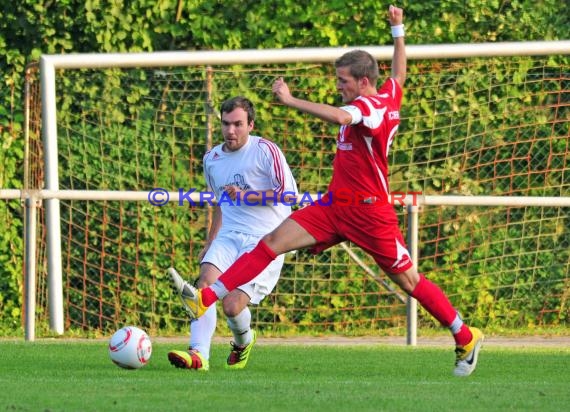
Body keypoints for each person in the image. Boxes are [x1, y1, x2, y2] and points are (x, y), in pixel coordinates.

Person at [170, 5, 484, 377]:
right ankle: (205, 298)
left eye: (343, 81)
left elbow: (339, 116)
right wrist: (398, 31)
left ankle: (464, 335)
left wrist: (289, 101)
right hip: (335, 206)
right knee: (271, 242)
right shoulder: (387, 95)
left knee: (410, 282)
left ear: (363, 82)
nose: (338, 87)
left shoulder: (368, 107)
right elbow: (399, 74)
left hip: (369, 214)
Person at [168, 96, 298, 371]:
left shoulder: (266, 151)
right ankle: (198, 355)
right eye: (226, 124)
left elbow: (288, 195)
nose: (231, 131)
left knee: (231, 305)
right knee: (203, 285)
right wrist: (210, 241)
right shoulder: (212, 159)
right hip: (229, 234)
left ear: (251, 124)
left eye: (238, 124)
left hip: (266, 239)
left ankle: (243, 340)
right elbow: (220, 203)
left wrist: (248, 196)